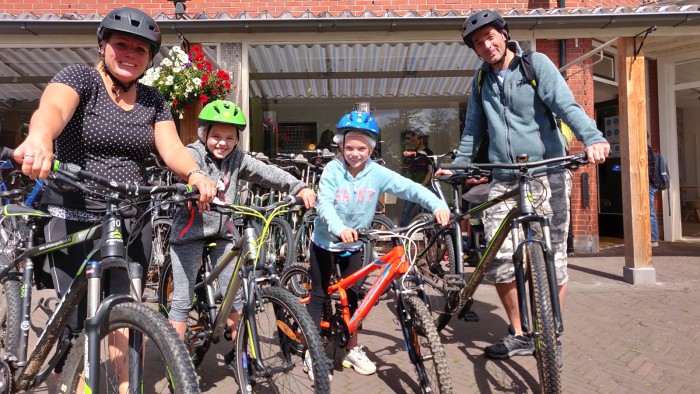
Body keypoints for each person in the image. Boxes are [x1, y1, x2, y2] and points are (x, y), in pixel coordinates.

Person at [11, 7, 217, 379]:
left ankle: (124, 387)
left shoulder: (153, 100)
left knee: (125, 312)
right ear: (104, 45)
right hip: (74, 212)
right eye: (121, 44)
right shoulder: (81, 78)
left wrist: (195, 172)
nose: (130, 55)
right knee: (75, 323)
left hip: (129, 218)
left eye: (140, 50)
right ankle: (70, 377)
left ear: (149, 59)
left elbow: (171, 148)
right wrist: (40, 138)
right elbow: (53, 108)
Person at [436, 10, 610, 360]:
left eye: (490, 37)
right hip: (503, 177)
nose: (486, 46)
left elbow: (566, 104)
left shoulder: (536, 64)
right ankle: (518, 332)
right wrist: (458, 166)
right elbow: (473, 130)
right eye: (477, 43)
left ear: (504, 33)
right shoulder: (481, 80)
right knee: (501, 258)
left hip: (548, 173)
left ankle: (550, 335)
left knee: (554, 257)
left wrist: (591, 137)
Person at [167, 99, 316, 367]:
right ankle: (178, 367)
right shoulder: (194, 152)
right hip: (189, 232)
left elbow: (267, 173)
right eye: (215, 136)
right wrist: (191, 186)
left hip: (222, 232)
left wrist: (298, 187)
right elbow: (186, 169)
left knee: (236, 295)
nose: (221, 143)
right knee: (182, 298)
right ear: (204, 135)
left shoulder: (237, 159)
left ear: (237, 140)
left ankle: (241, 356)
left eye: (229, 137)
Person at [307, 110, 450, 380]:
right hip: (326, 242)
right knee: (319, 296)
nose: (355, 153)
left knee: (353, 298)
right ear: (340, 146)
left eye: (361, 147)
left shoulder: (377, 173)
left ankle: (351, 349)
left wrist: (438, 205)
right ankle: (313, 352)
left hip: (355, 244)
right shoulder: (332, 170)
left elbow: (411, 188)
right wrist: (339, 228)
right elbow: (323, 203)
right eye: (349, 147)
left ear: (370, 148)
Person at [400, 130, 436, 226]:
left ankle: (433, 236)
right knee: (406, 212)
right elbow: (407, 167)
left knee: (429, 213)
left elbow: (430, 171)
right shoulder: (413, 153)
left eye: (415, 141)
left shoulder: (428, 153)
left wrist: (423, 184)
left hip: (425, 186)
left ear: (421, 139)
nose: (414, 143)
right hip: (414, 186)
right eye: (412, 141)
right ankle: (402, 236)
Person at [647, 145, 660, 247]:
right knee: (650, 211)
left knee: (650, 212)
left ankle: (653, 239)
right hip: (652, 184)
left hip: (648, 184)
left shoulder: (644, 150)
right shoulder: (650, 150)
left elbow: (648, 171)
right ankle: (652, 238)